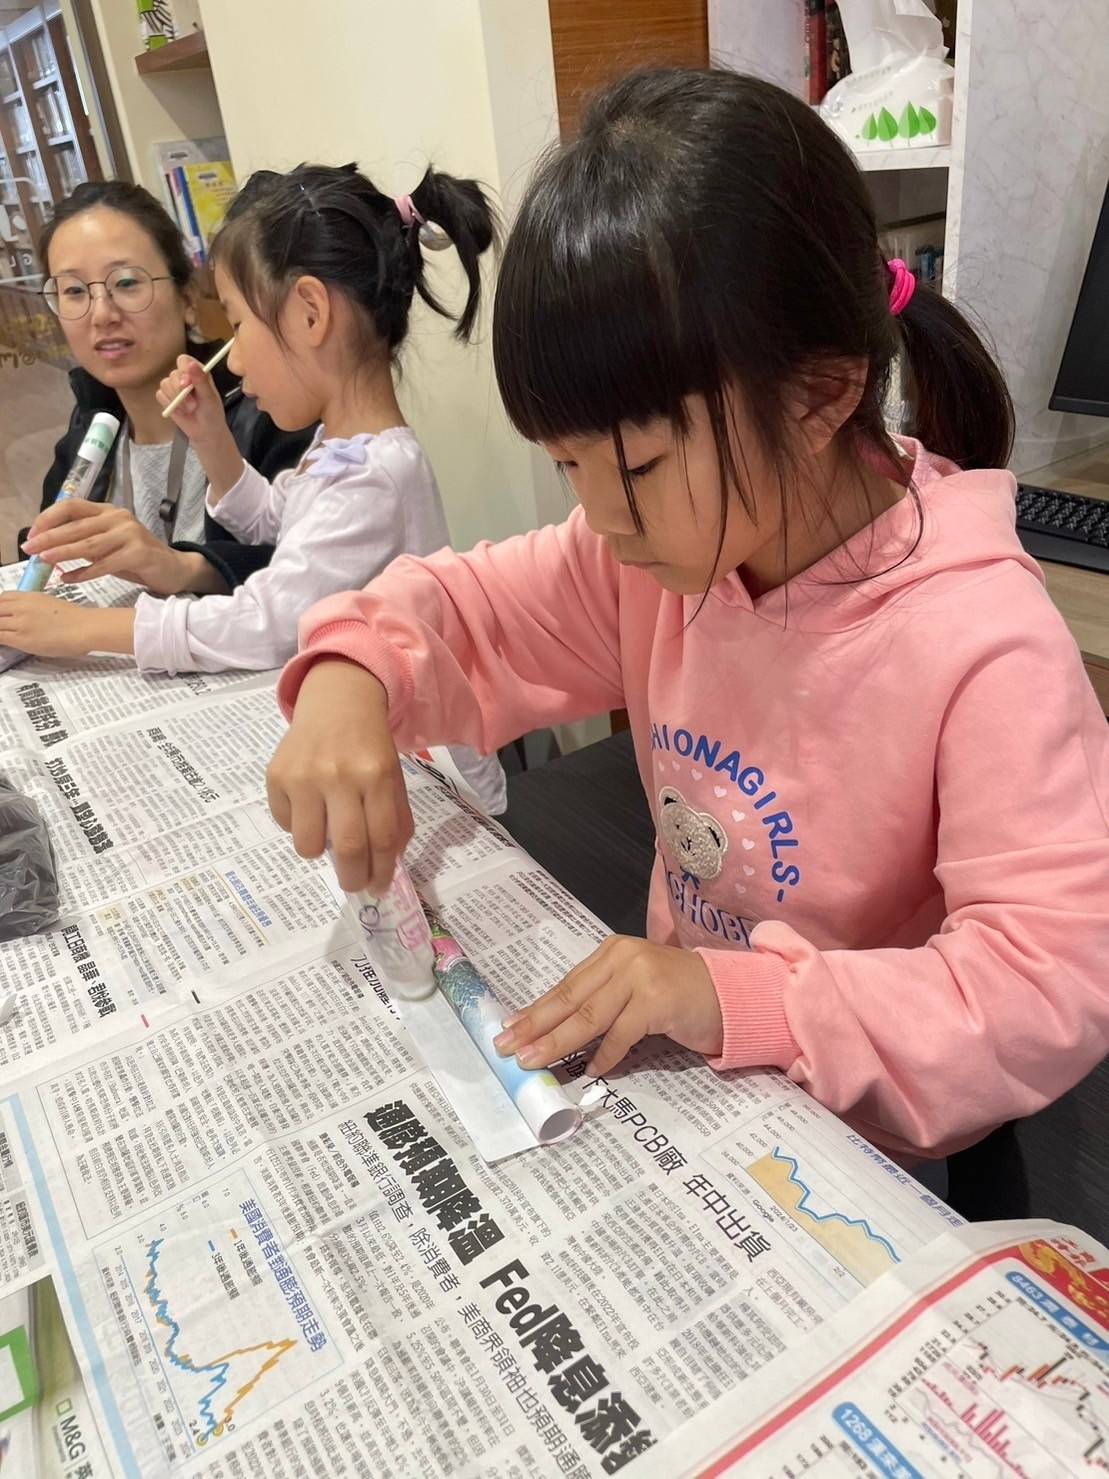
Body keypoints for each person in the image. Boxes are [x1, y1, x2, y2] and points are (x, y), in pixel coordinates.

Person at [264, 70, 1109, 1166]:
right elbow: (467, 608)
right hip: (691, 1081)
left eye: (637, 468)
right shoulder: (656, 555)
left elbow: (1043, 983)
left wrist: (731, 998)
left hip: (862, 1140)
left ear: (817, 395)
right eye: (567, 467)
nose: (600, 519)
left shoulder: (982, 640)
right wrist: (350, 676)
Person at [0, 161, 506, 813]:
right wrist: (213, 438)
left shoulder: (372, 479)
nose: (233, 358)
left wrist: (90, 629)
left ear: (310, 314)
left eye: (239, 326)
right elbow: (274, 519)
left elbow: (266, 621)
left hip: (421, 771)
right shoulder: (341, 451)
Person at [23, 179, 312, 594]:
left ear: (188, 299)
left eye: (126, 283)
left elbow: (316, 569)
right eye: (73, 291)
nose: (101, 315)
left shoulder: (270, 410)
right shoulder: (89, 425)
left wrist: (188, 567)